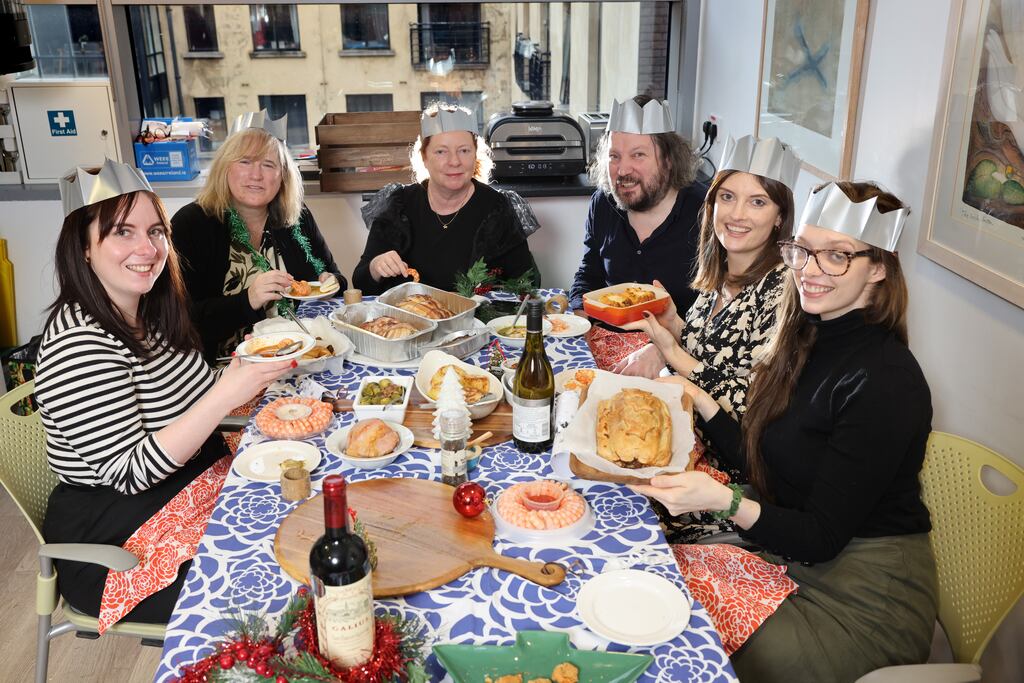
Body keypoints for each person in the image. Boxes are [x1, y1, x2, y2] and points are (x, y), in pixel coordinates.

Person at [633, 181, 936, 681]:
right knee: (653, 573)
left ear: (878, 267)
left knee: (676, 624)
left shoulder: (886, 380)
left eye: (837, 256)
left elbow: (821, 537)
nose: (810, 271)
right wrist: (697, 392)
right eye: (804, 251)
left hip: (859, 599)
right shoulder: (806, 337)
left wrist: (724, 501)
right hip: (791, 553)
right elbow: (764, 455)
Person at [35, 160, 290, 622]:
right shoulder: (78, 342)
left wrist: (247, 374)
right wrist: (224, 394)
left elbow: (195, 391)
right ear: (84, 249)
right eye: (122, 233)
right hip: (116, 537)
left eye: (156, 232)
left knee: (301, 515)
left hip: (186, 484)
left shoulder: (151, 312)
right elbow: (131, 473)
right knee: (278, 580)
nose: (148, 248)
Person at [615, 135, 798, 542]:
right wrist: (674, 324)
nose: (736, 214)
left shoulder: (784, 291)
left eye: (757, 202)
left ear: (780, 216)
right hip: (684, 441)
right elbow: (714, 352)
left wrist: (673, 355)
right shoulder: (723, 274)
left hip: (729, 481)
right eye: (727, 197)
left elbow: (753, 407)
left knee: (622, 517)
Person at [171, 110, 345, 362]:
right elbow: (180, 321)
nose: (256, 175)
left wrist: (331, 282)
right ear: (224, 167)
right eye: (245, 161)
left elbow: (335, 280)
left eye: (268, 164)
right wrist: (248, 300)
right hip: (224, 367)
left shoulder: (296, 217)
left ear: (282, 175)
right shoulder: (192, 224)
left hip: (300, 357)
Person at [568, 95, 706, 369]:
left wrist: (662, 351)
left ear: (668, 160)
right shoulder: (603, 202)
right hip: (603, 339)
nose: (623, 170)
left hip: (676, 352)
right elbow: (589, 271)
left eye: (638, 155)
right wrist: (577, 312)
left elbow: (714, 314)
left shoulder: (705, 211)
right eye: (614, 156)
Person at [352, 102, 540, 295]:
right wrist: (375, 267)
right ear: (424, 157)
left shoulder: (497, 208)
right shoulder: (399, 204)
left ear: (475, 154)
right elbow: (360, 283)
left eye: (464, 150)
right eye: (441, 151)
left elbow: (526, 285)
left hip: (478, 321)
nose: (455, 161)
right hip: (409, 320)